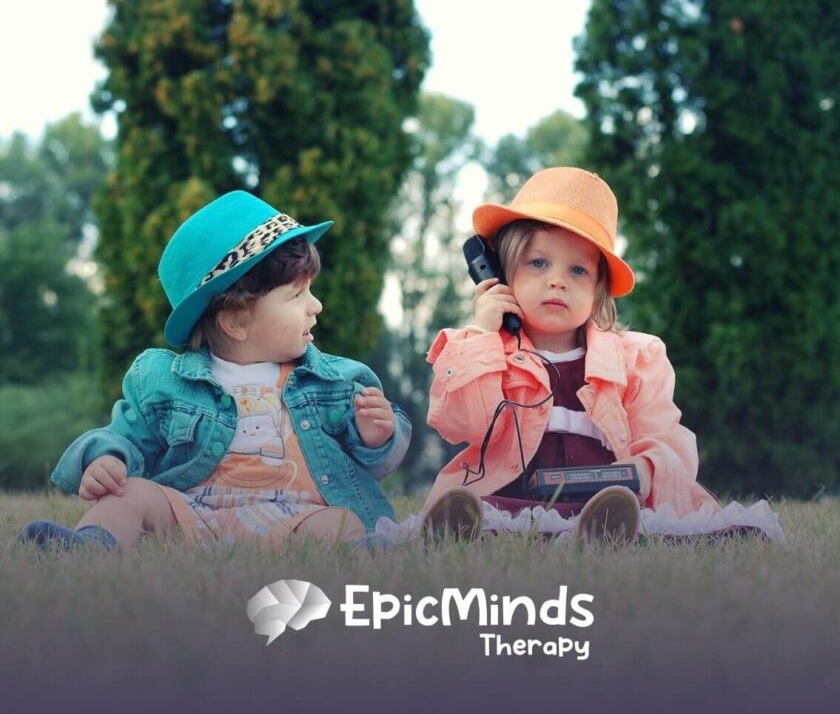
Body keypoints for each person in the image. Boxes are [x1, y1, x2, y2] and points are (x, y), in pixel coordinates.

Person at [21, 191, 410, 551]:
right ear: (236, 321)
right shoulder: (165, 381)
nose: (316, 305)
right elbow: (125, 435)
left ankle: (364, 553)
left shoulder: (333, 382)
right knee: (130, 494)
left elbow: (374, 463)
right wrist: (107, 459)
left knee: (340, 522)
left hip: (295, 519)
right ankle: (91, 545)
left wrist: (375, 438)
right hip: (191, 514)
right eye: (296, 295)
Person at [421, 167, 718, 544]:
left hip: (604, 505)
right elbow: (459, 423)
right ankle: (464, 531)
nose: (557, 280)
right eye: (538, 263)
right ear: (500, 275)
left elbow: (664, 436)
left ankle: (601, 534)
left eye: (578, 269)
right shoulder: (483, 350)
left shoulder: (636, 359)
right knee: (482, 515)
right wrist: (484, 337)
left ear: (598, 290)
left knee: (646, 522)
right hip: (510, 501)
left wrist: (643, 469)